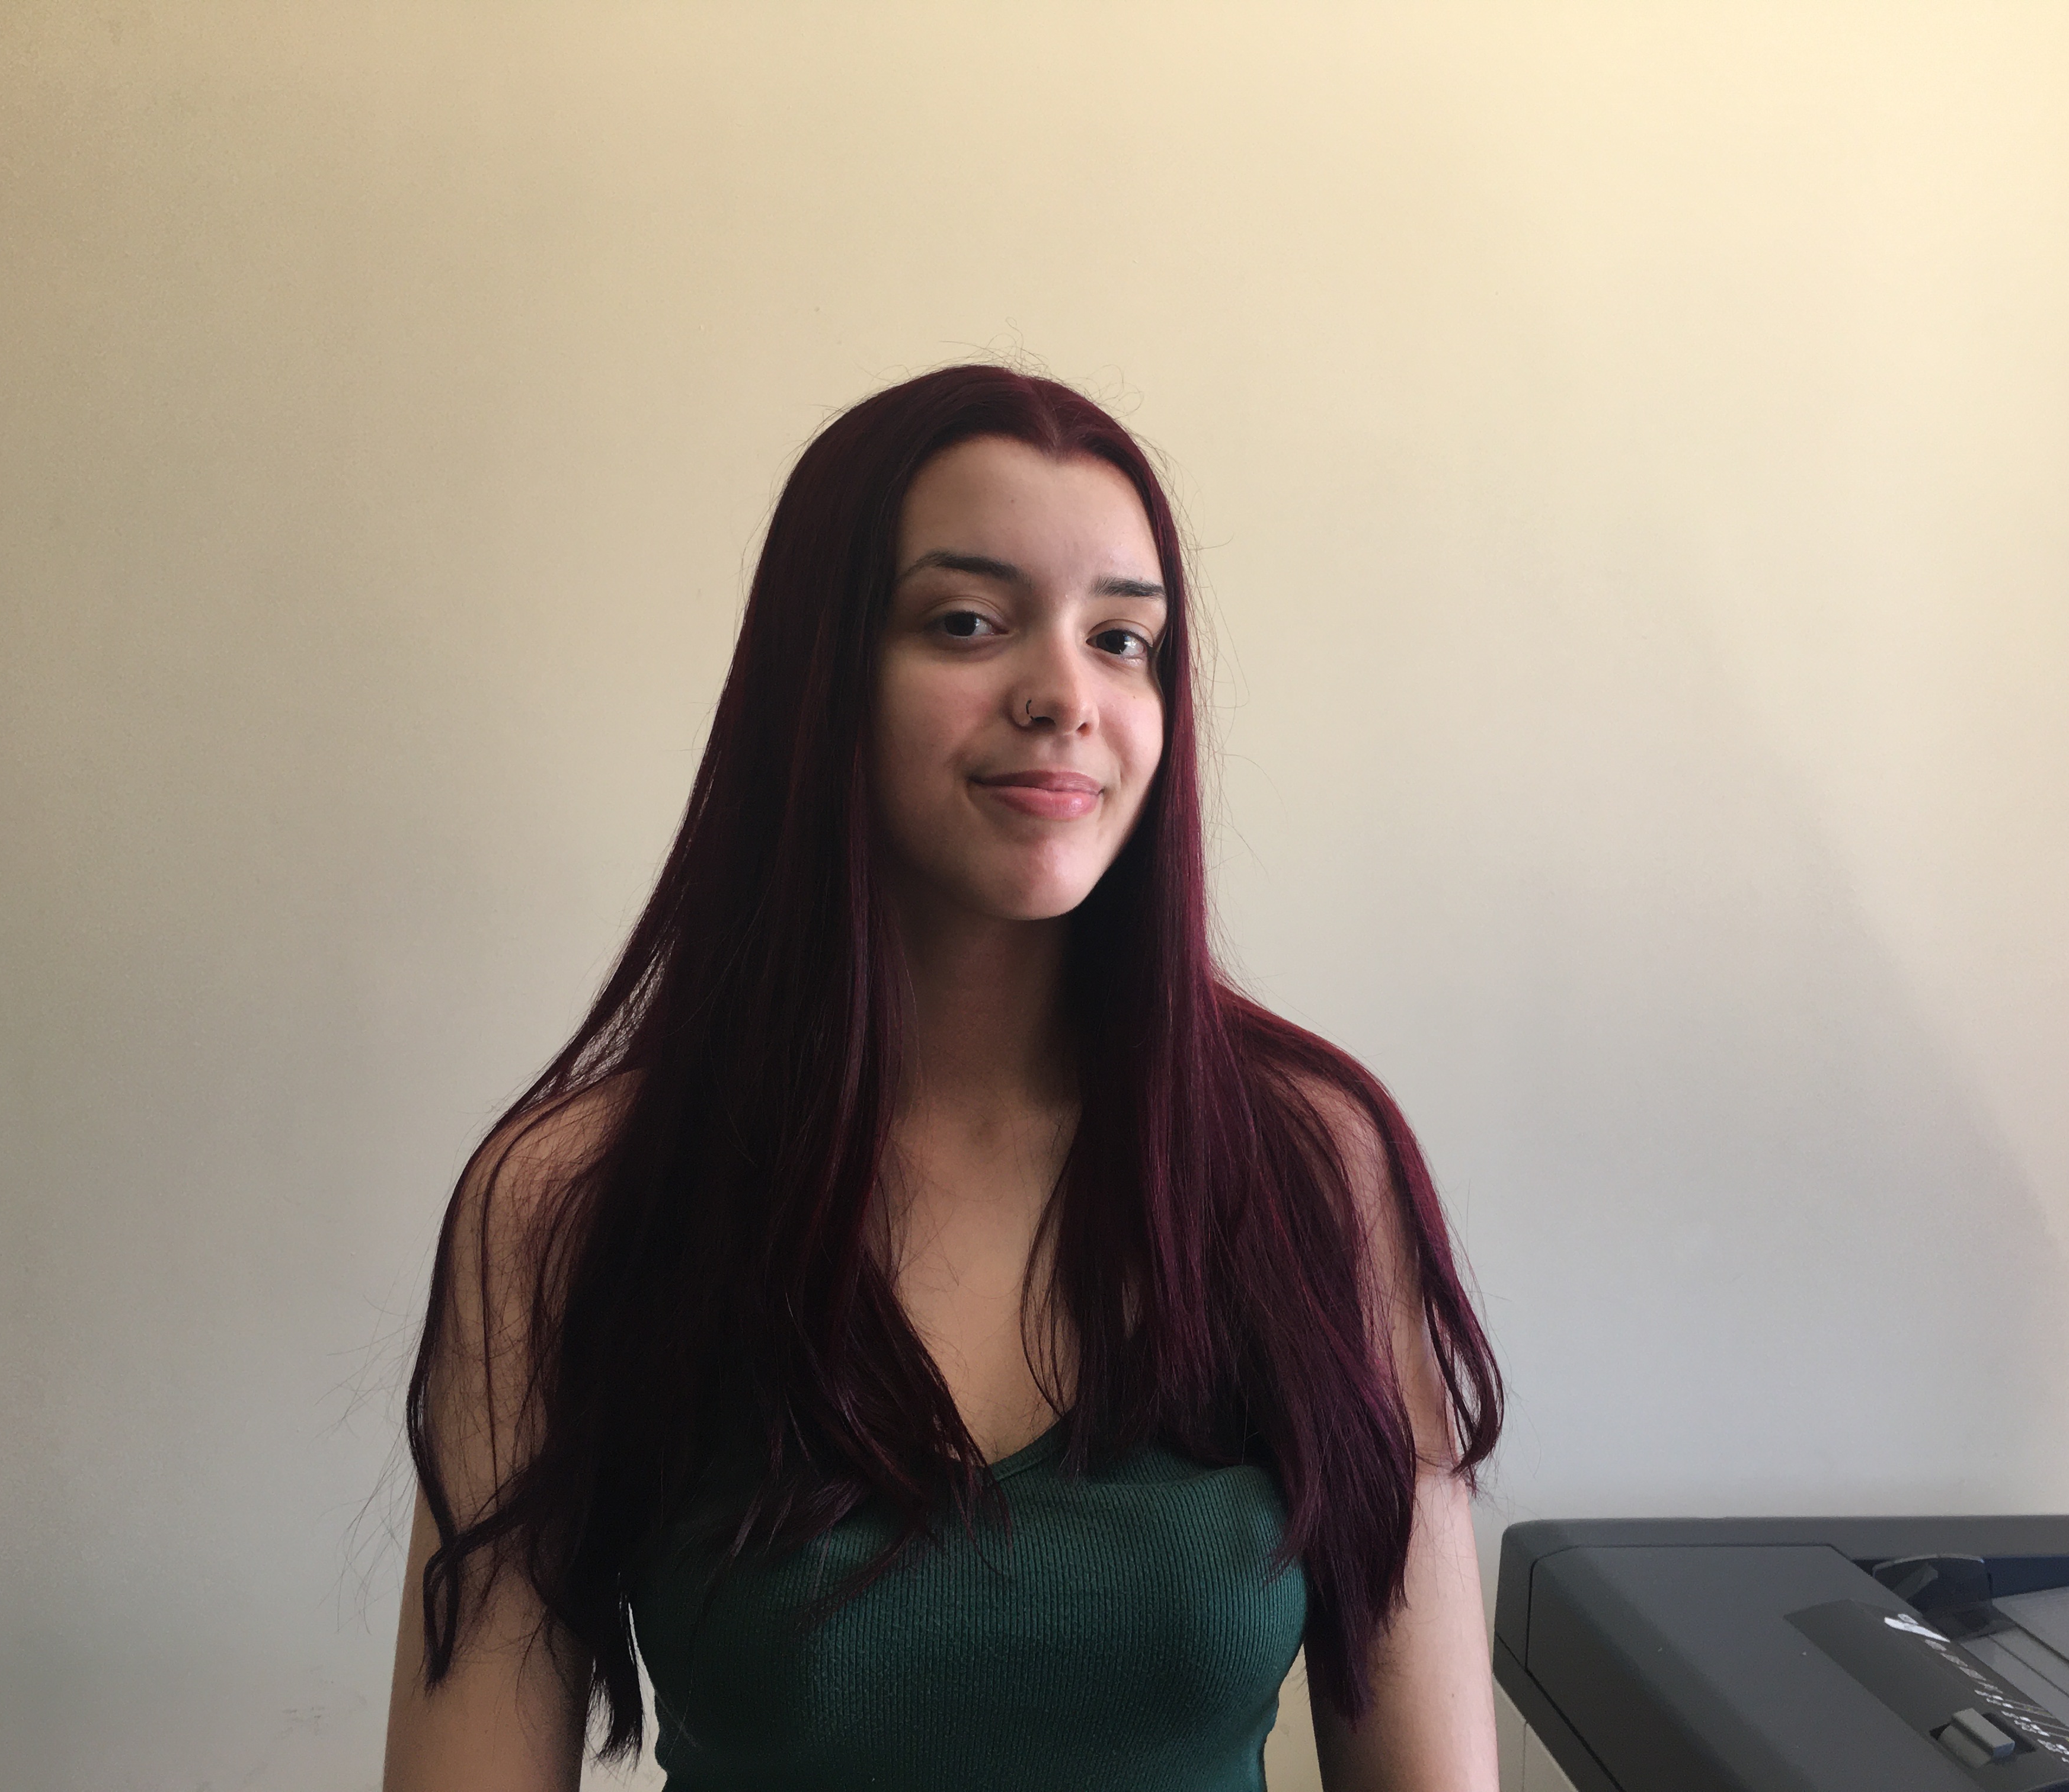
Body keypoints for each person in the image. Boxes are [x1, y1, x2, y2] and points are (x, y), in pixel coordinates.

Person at [382, 365, 1504, 1791]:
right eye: (968, 622)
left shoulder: (1311, 1166)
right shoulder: (573, 1201)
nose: (1064, 695)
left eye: (1122, 640)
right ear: (820, 680)